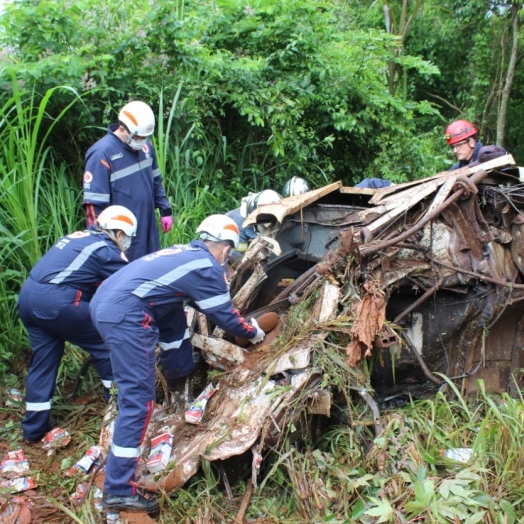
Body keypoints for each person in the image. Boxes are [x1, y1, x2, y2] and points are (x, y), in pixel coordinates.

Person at [90, 214, 266, 514]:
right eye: (229, 255)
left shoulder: (182, 254)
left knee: (170, 318)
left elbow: (174, 316)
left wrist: (181, 370)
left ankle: (177, 375)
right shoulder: (207, 267)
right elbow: (225, 316)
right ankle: (118, 490)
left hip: (104, 304)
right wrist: (254, 331)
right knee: (138, 403)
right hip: (125, 316)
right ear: (225, 249)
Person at [18, 206, 138, 443]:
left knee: (43, 361)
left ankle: (33, 428)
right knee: (106, 343)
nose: (127, 243)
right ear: (120, 233)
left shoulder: (78, 237)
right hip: (57, 302)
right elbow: (132, 284)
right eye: (128, 238)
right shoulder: (107, 250)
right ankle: (117, 409)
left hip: (28, 298)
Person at [82, 100, 173, 262]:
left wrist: (165, 209)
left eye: (145, 137)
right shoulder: (102, 154)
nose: (142, 141)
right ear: (122, 129)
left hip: (147, 225)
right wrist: (100, 246)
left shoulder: (145, 147)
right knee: (126, 278)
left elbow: (156, 180)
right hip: (122, 232)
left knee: (150, 269)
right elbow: (93, 206)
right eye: (138, 137)